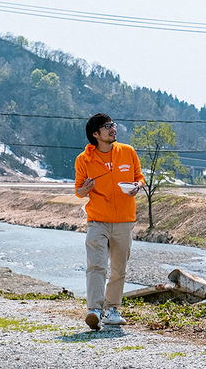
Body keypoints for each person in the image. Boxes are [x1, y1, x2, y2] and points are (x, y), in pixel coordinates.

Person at [74, 113, 144, 331]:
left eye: (113, 124)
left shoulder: (128, 152)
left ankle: (112, 310)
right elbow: (78, 191)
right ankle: (94, 310)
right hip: (97, 221)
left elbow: (139, 177)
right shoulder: (83, 160)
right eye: (107, 126)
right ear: (96, 134)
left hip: (124, 220)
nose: (113, 129)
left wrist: (138, 186)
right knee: (96, 265)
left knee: (118, 268)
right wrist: (85, 189)